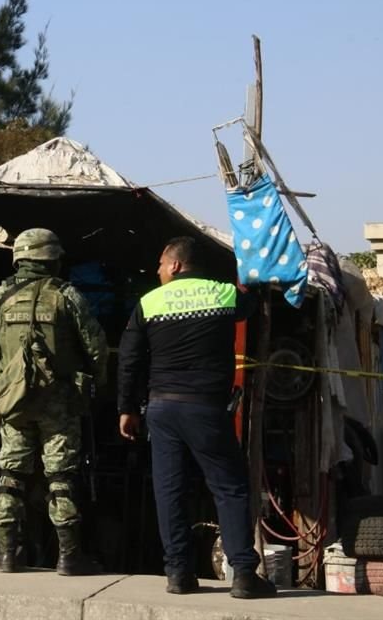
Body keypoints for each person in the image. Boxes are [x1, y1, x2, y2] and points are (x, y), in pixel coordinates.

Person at [117, 236, 276, 599]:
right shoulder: (223, 295)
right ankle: (244, 575)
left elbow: (130, 359)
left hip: (161, 409)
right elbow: (251, 303)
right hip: (205, 408)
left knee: (169, 490)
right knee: (230, 488)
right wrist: (252, 274)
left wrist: (126, 408)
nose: (157, 271)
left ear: (175, 265)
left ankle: (178, 574)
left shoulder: (149, 302)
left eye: (160, 263)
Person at [0, 228, 108, 576]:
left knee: (10, 475)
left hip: (12, 404)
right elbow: (97, 348)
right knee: (61, 477)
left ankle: (6, 556)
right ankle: (69, 558)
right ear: (52, 259)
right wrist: (94, 386)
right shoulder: (68, 295)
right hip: (60, 404)